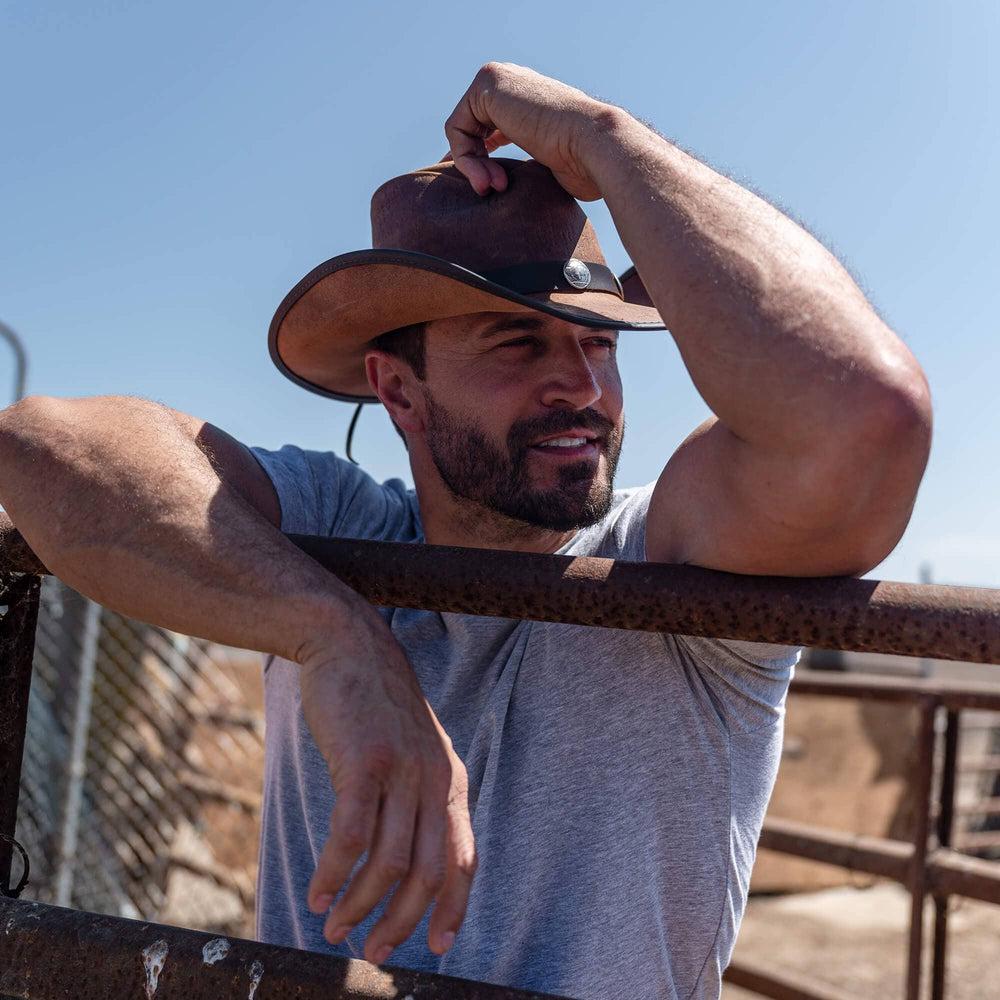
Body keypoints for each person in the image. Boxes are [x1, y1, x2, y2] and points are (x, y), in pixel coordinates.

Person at [0, 63, 931, 1000]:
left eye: (599, 342)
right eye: (516, 342)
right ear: (399, 390)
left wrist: (605, 139)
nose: (584, 385)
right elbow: (40, 450)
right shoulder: (335, 531)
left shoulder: (666, 557)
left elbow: (867, 418)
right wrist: (336, 640)